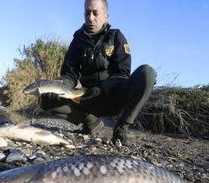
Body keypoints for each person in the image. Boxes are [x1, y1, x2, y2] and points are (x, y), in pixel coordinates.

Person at [40, 0, 156, 145]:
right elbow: (69, 75)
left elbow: (123, 73)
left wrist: (102, 88)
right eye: (87, 13)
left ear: (106, 17)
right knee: (45, 99)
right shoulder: (77, 42)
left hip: (115, 96)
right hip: (87, 97)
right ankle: (90, 120)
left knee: (147, 72)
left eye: (95, 13)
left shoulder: (116, 37)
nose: (91, 17)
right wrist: (58, 86)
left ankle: (121, 128)